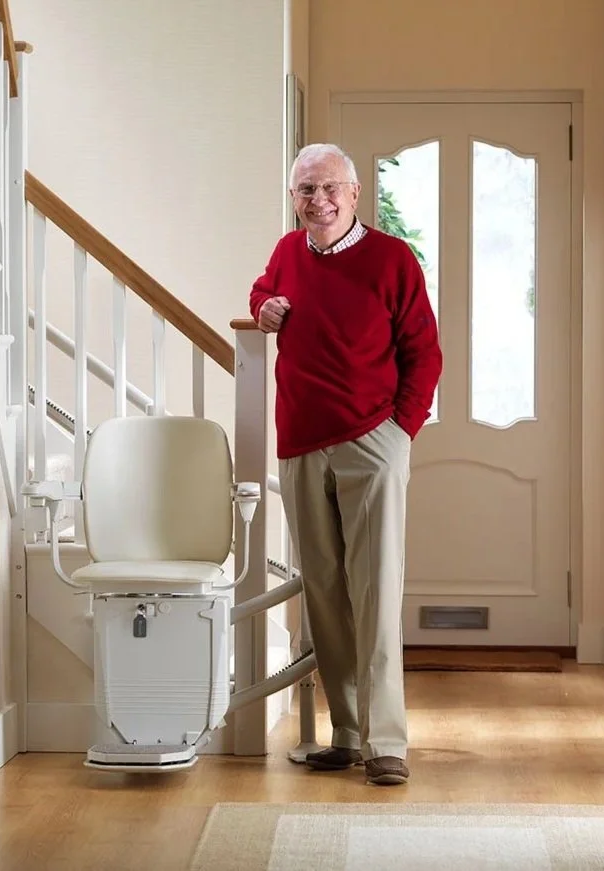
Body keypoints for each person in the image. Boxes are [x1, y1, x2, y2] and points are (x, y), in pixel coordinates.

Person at [249, 143, 442, 786]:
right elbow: (263, 293)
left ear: (355, 194)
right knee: (323, 593)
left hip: (372, 441)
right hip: (302, 443)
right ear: (294, 197)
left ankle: (388, 741)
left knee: (377, 586)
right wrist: (263, 308)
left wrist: (400, 433)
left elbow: (425, 352)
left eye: (330, 188)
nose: (319, 201)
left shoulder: (392, 259)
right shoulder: (285, 252)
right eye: (306, 190)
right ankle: (349, 732)